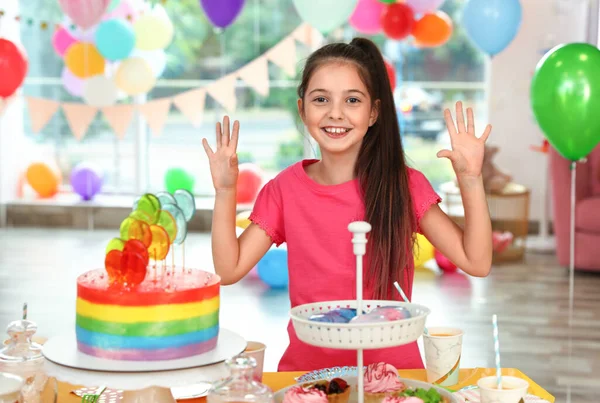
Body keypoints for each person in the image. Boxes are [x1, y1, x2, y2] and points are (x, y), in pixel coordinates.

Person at [202, 37, 492, 371]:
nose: (335, 113)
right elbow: (228, 269)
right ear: (302, 109)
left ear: (373, 112)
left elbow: (477, 261)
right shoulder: (284, 189)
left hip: (393, 377)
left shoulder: (404, 186)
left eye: (352, 100)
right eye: (321, 99)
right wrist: (225, 192)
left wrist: (471, 180)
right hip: (308, 376)